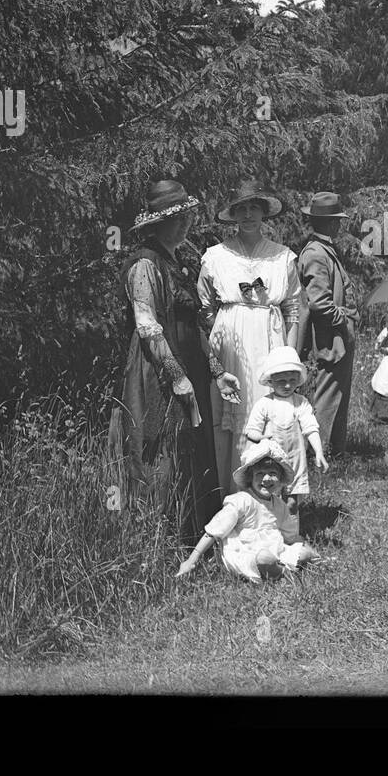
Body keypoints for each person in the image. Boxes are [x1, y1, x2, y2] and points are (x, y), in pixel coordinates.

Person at [109, 180, 241, 547]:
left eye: (186, 216)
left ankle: (194, 535)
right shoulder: (144, 265)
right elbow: (147, 324)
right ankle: (159, 542)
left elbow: (193, 324)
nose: (184, 224)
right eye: (176, 218)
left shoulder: (175, 263)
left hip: (190, 369)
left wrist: (216, 373)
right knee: (161, 449)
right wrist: (176, 376)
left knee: (190, 450)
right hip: (157, 372)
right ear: (156, 223)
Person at [198, 181, 301, 495]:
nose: (247, 215)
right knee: (230, 422)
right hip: (230, 350)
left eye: (253, 207)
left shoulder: (282, 257)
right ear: (232, 215)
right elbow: (204, 311)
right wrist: (221, 343)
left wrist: (289, 361)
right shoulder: (215, 257)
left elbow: (293, 309)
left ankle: (270, 503)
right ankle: (232, 502)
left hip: (270, 344)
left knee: (270, 418)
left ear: (264, 212)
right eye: (240, 209)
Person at [175, 441, 321, 582]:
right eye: (260, 473)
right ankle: (282, 572)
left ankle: (277, 569)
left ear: (280, 477)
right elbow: (213, 531)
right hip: (245, 552)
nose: (266, 478)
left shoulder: (280, 506)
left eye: (272, 473)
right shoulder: (241, 501)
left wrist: (310, 552)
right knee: (265, 559)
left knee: (303, 554)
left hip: (274, 549)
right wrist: (191, 560)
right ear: (250, 477)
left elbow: (291, 537)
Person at [294, 192, 358, 459]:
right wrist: (344, 322)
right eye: (336, 221)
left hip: (336, 337)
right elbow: (319, 302)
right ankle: (319, 454)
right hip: (329, 339)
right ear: (331, 224)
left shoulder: (323, 250)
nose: (339, 226)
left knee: (338, 394)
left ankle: (334, 450)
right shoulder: (316, 254)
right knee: (328, 398)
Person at [244, 346, 327, 544]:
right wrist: (263, 437)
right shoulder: (265, 404)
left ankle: (291, 537)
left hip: (294, 461)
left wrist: (319, 452)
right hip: (271, 463)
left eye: (292, 380)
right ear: (270, 381)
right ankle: (269, 536)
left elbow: (310, 427)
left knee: (291, 502)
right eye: (281, 381)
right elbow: (251, 431)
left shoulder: (300, 403)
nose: (287, 386)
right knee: (269, 499)